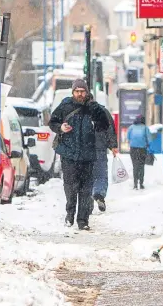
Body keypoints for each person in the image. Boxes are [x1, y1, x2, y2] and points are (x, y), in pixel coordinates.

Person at [49, 79, 109, 230]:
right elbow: (52, 122)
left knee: (86, 189)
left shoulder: (93, 108)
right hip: (69, 154)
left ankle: (83, 221)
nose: (80, 94)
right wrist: (60, 128)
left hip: (88, 155)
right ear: (73, 92)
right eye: (77, 91)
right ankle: (70, 215)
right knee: (70, 187)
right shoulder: (65, 105)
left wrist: (93, 107)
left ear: (87, 92)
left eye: (83, 91)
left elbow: (104, 124)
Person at [91, 104, 118, 212]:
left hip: (84, 150)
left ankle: (87, 203)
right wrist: (113, 145)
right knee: (101, 174)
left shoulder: (79, 110)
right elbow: (110, 129)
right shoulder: (103, 111)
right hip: (100, 148)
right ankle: (99, 194)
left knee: (86, 176)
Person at [127, 116, 152, 190]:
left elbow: (128, 137)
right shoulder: (145, 128)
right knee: (141, 166)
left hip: (133, 149)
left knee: (135, 166)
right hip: (142, 149)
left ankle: (135, 184)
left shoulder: (131, 127)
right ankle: (141, 184)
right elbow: (149, 139)